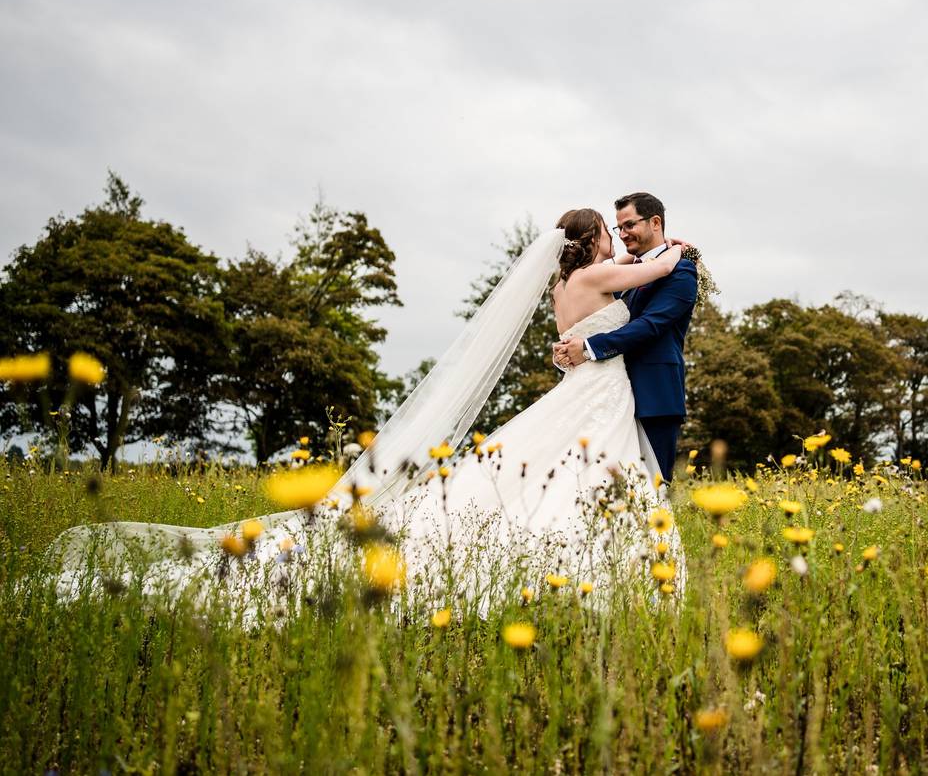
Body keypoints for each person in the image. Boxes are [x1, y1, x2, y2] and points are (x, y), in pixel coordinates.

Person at [47, 207, 689, 618]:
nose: (617, 237)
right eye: (610, 231)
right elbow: (654, 269)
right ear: (590, 244)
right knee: (582, 475)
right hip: (597, 391)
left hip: (592, 390)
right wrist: (678, 252)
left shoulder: (565, 284)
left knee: (561, 474)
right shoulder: (597, 281)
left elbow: (610, 301)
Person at [553, 193, 698, 485]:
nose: (621, 234)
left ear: (655, 222)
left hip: (653, 395)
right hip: (609, 393)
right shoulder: (617, 276)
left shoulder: (682, 270)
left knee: (652, 490)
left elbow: (650, 325)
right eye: (616, 228)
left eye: (629, 225)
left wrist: (588, 347)